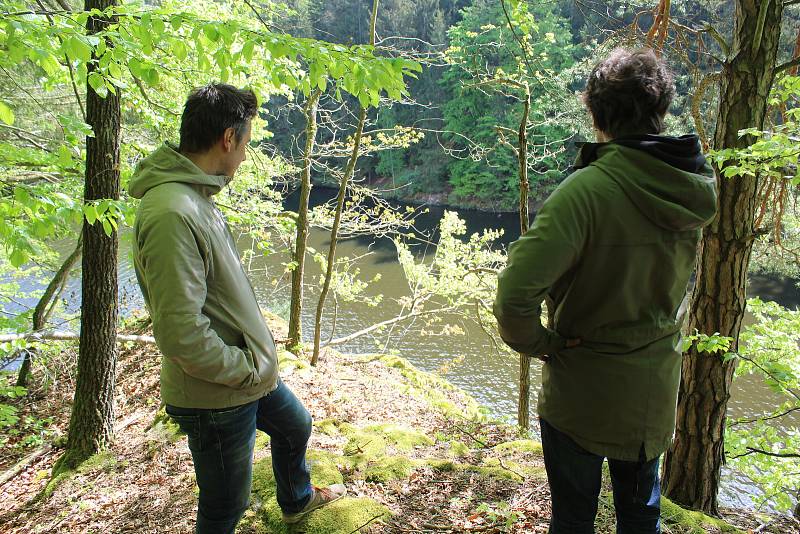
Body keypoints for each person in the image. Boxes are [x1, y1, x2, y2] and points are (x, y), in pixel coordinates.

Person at [493, 49, 717, 533]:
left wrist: (543, 345)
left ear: (595, 112)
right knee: (641, 517)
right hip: (653, 391)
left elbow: (514, 298)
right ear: (661, 110)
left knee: (574, 518)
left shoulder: (585, 192)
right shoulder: (690, 184)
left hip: (582, 393)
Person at [129, 83, 345, 533]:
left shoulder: (196, 197)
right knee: (226, 506)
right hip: (217, 393)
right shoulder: (172, 212)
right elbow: (181, 333)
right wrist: (247, 369)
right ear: (228, 138)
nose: (245, 157)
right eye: (245, 144)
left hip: (244, 378)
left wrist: (256, 364)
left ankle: (297, 500)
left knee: (294, 426)